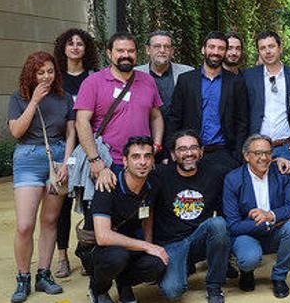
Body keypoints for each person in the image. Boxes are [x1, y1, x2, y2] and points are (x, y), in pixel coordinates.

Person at [8, 52, 74, 302]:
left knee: (50, 221)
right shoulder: (19, 98)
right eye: (40, 72)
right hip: (28, 159)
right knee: (25, 225)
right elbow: (16, 131)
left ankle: (44, 274)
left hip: (57, 160)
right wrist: (34, 101)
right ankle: (23, 277)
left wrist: (67, 162)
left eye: (50, 71)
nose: (46, 76)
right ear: (31, 74)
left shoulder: (64, 98)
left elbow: (70, 134)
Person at [75, 32, 164, 184]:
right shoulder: (93, 82)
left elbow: (156, 116)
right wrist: (94, 159)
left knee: (141, 207)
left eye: (131, 51)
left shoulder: (148, 80)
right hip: (107, 162)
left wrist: (156, 145)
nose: (126, 55)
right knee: (105, 207)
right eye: (120, 51)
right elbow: (81, 122)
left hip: (141, 162)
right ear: (110, 53)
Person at [223, 135, 290, 298]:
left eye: (267, 153)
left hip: (274, 232)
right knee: (249, 258)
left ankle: (279, 277)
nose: (264, 158)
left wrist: (270, 215)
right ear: (246, 156)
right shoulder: (233, 179)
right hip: (246, 234)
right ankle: (247, 272)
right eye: (258, 153)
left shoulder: (282, 173)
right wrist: (266, 222)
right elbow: (232, 225)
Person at [153, 131, 230, 303]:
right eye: (182, 149)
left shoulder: (216, 173)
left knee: (218, 224)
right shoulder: (159, 174)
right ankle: (183, 265)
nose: (188, 153)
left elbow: (247, 171)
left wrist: (276, 161)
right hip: (171, 244)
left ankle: (214, 286)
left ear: (201, 151)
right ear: (173, 155)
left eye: (193, 148)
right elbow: (133, 171)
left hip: (199, 239)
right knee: (172, 292)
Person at [89, 136, 167, 303]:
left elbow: (148, 214)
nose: (142, 162)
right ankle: (98, 289)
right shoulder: (108, 184)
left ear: (153, 160)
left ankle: (124, 283)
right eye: (136, 156)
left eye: (147, 156)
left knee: (157, 264)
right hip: (99, 248)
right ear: (125, 161)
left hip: (130, 243)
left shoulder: (153, 183)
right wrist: (147, 246)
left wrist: (149, 244)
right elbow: (103, 237)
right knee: (118, 257)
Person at [165, 31, 249, 175]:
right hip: (190, 152)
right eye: (212, 47)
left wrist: (237, 155)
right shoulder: (186, 80)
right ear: (203, 49)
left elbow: (242, 121)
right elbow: (175, 117)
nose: (216, 52)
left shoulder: (236, 82)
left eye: (221, 48)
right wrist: (170, 153)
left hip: (223, 153)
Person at [52, 28, 99, 278]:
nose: (75, 48)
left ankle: (85, 250)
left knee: (91, 201)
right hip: (63, 145)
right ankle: (62, 257)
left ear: (86, 48)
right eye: (70, 44)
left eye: (80, 44)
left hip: (89, 145)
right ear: (63, 48)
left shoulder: (95, 77)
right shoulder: (55, 78)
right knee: (62, 204)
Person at [243, 31, 290, 161]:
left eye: (271, 46)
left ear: (280, 48)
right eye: (263, 48)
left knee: (286, 180)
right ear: (259, 52)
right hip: (256, 147)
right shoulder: (248, 76)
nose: (268, 51)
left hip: (286, 146)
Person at [134, 30, 194, 119]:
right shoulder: (135, 74)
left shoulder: (188, 73)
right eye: (157, 46)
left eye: (167, 47)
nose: (162, 50)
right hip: (146, 130)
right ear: (148, 49)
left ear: (172, 51)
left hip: (179, 130)